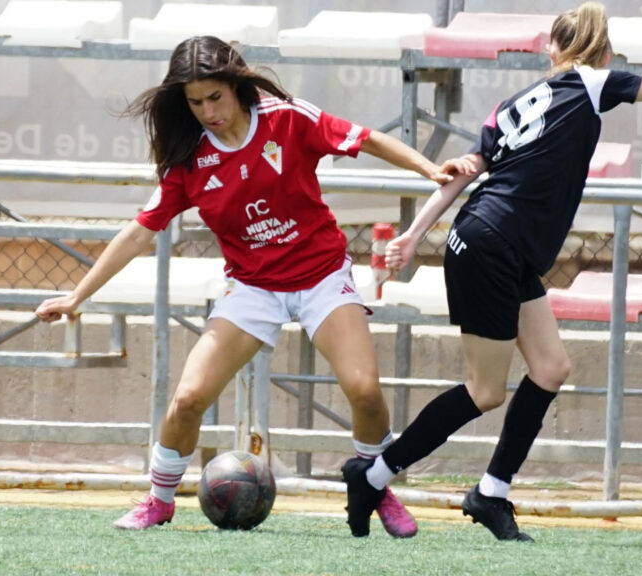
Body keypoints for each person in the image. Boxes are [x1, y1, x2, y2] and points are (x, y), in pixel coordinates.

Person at [341, 1, 642, 541]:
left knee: (550, 367)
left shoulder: (515, 103)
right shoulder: (591, 84)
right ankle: (373, 474)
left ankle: (490, 494)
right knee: (485, 391)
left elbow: (463, 173)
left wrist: (416, 234)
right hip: (491, 243)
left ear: (550, 48)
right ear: (602, 53)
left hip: (497, 243)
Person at [35, 36, 455, 537]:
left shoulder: (288, 118)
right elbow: (140, 231)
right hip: (252, 287)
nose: (207, 111)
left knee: (365, 391)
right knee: (188, 399)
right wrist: (78, 295)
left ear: (235, 86)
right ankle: (159, 500)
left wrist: (431, 169)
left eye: (215, 97)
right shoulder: (187, 158)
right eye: (194, 102)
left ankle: (375, 486)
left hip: (321, 275)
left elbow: (367, 139)